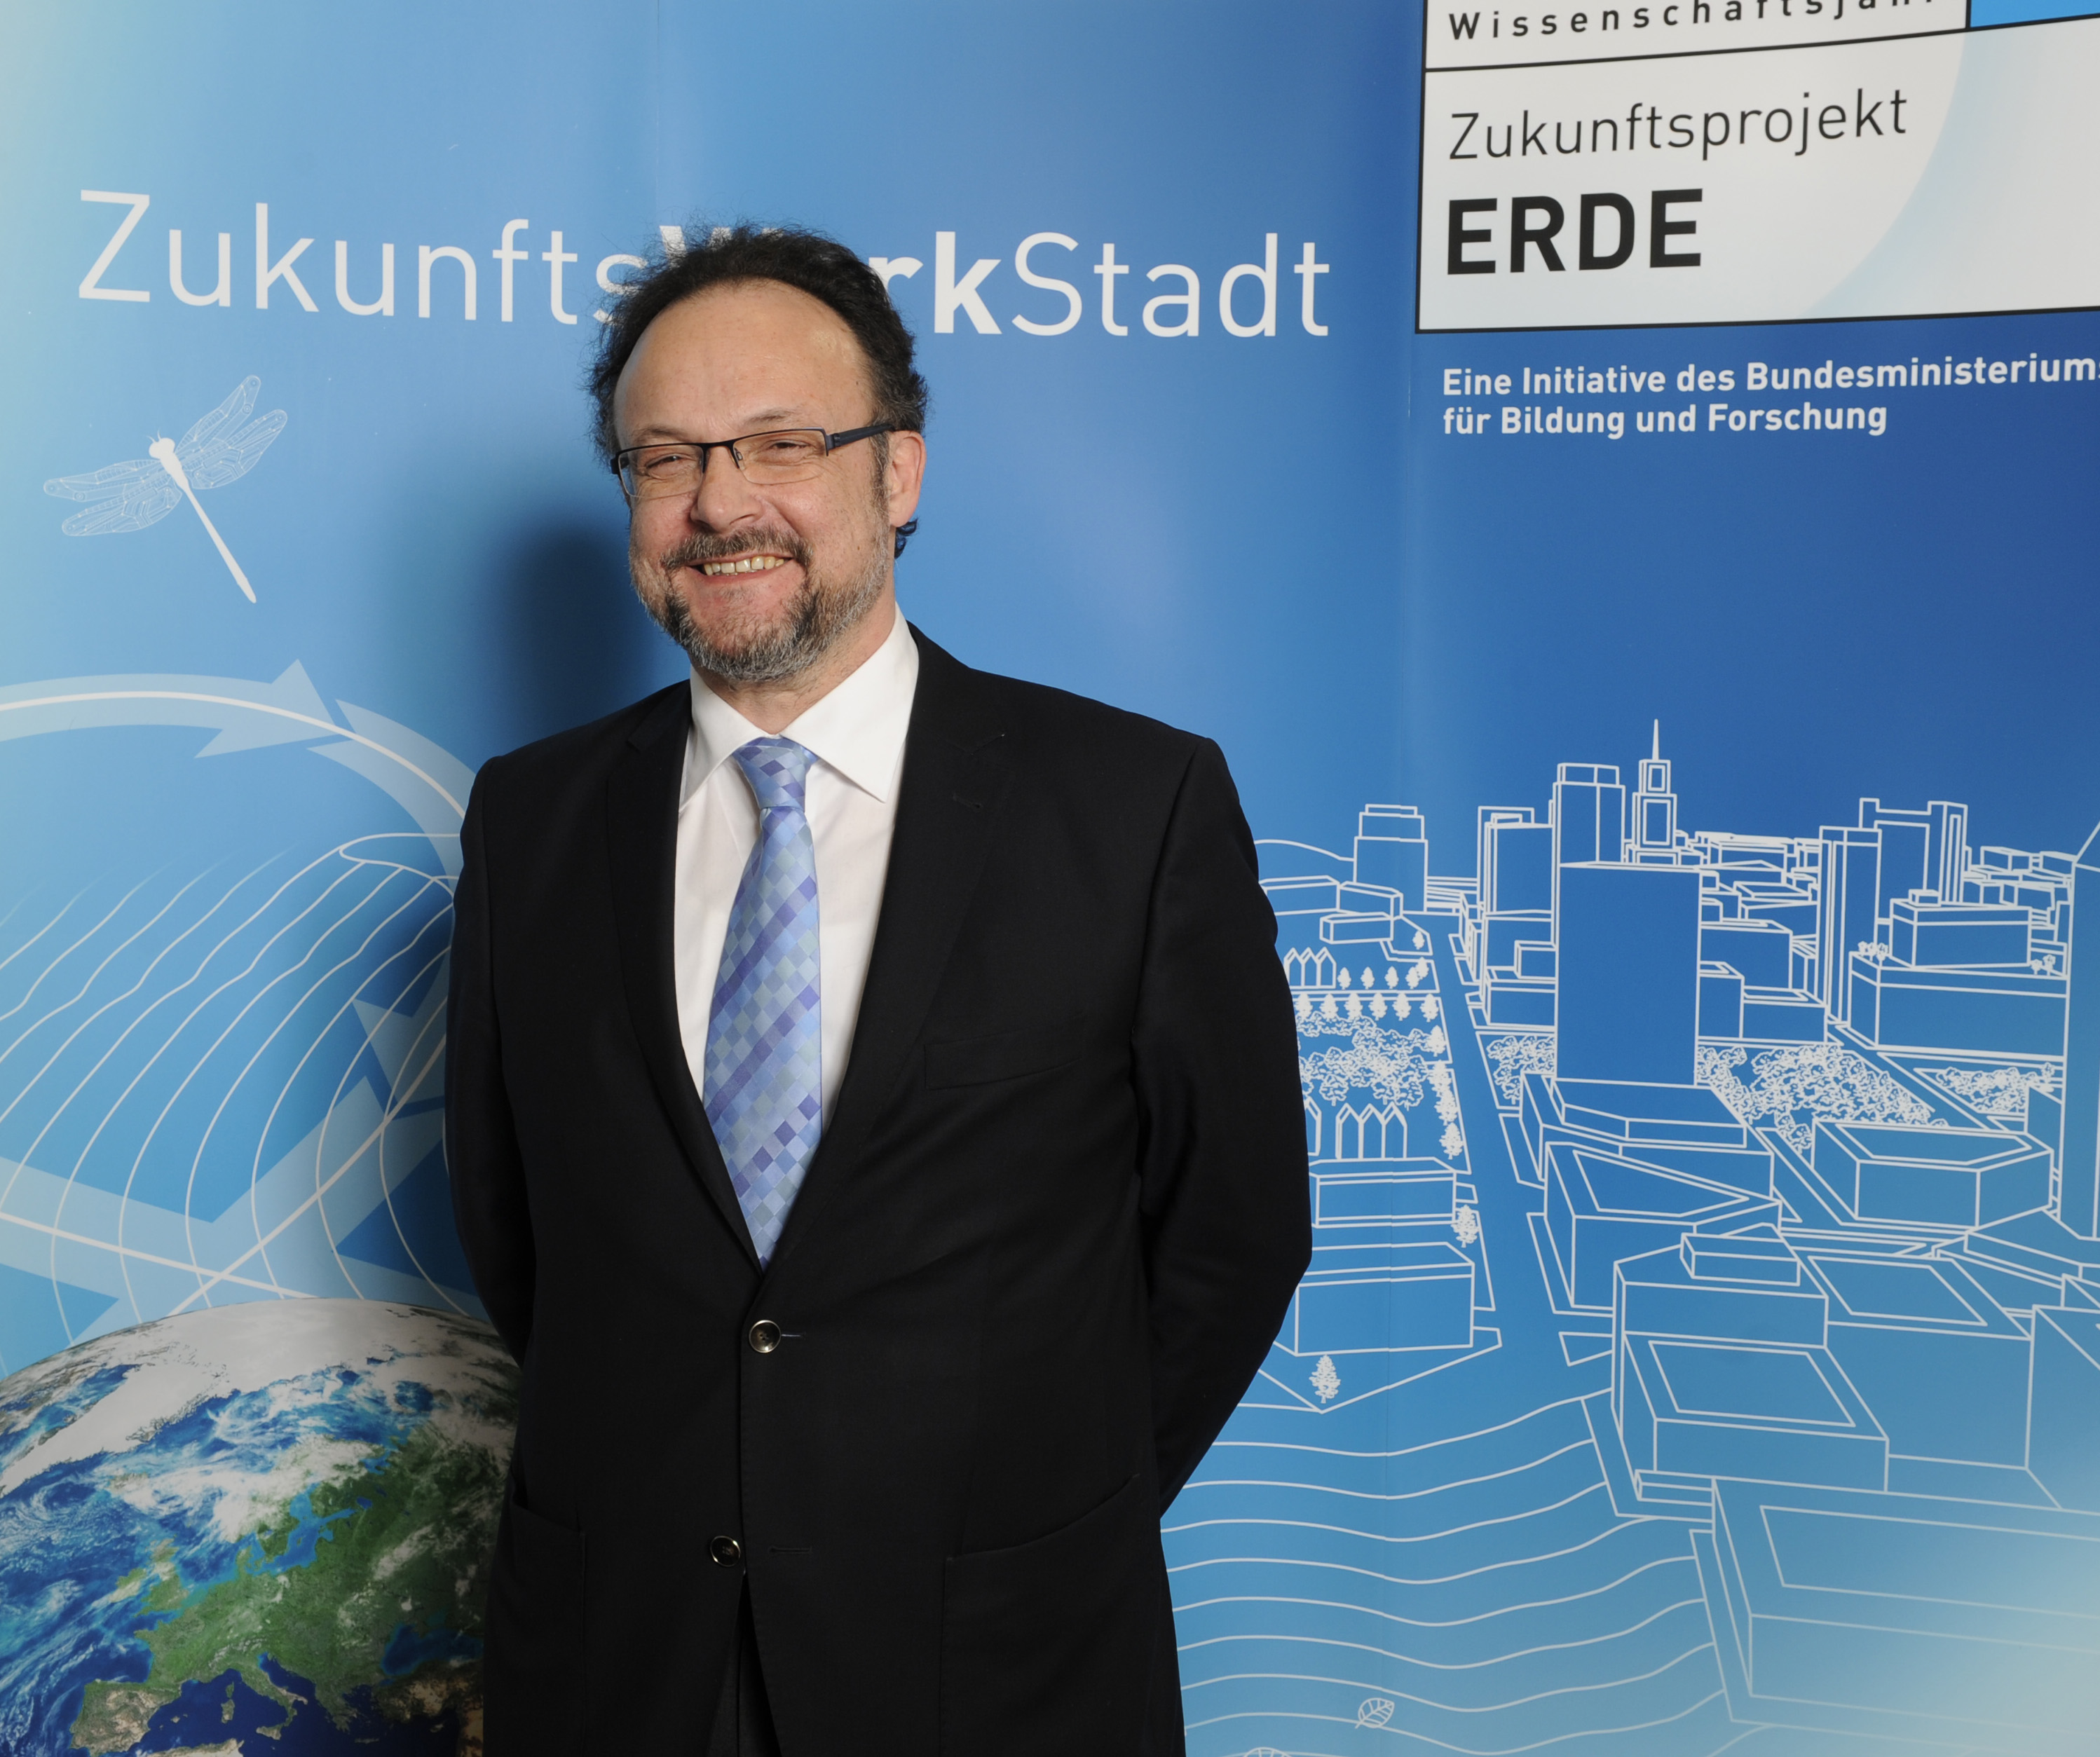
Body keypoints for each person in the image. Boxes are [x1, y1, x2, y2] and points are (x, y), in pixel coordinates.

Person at [446, 223, 1309, 1756]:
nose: (722, 504)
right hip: (619, 1668)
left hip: (1001, 1673)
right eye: (666, 459)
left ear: (897, 474)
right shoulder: (532, 821)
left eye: (782, 444)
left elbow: (1234, 1241)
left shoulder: (1133, 809)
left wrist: (1029, 1516)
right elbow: (525, 1244)